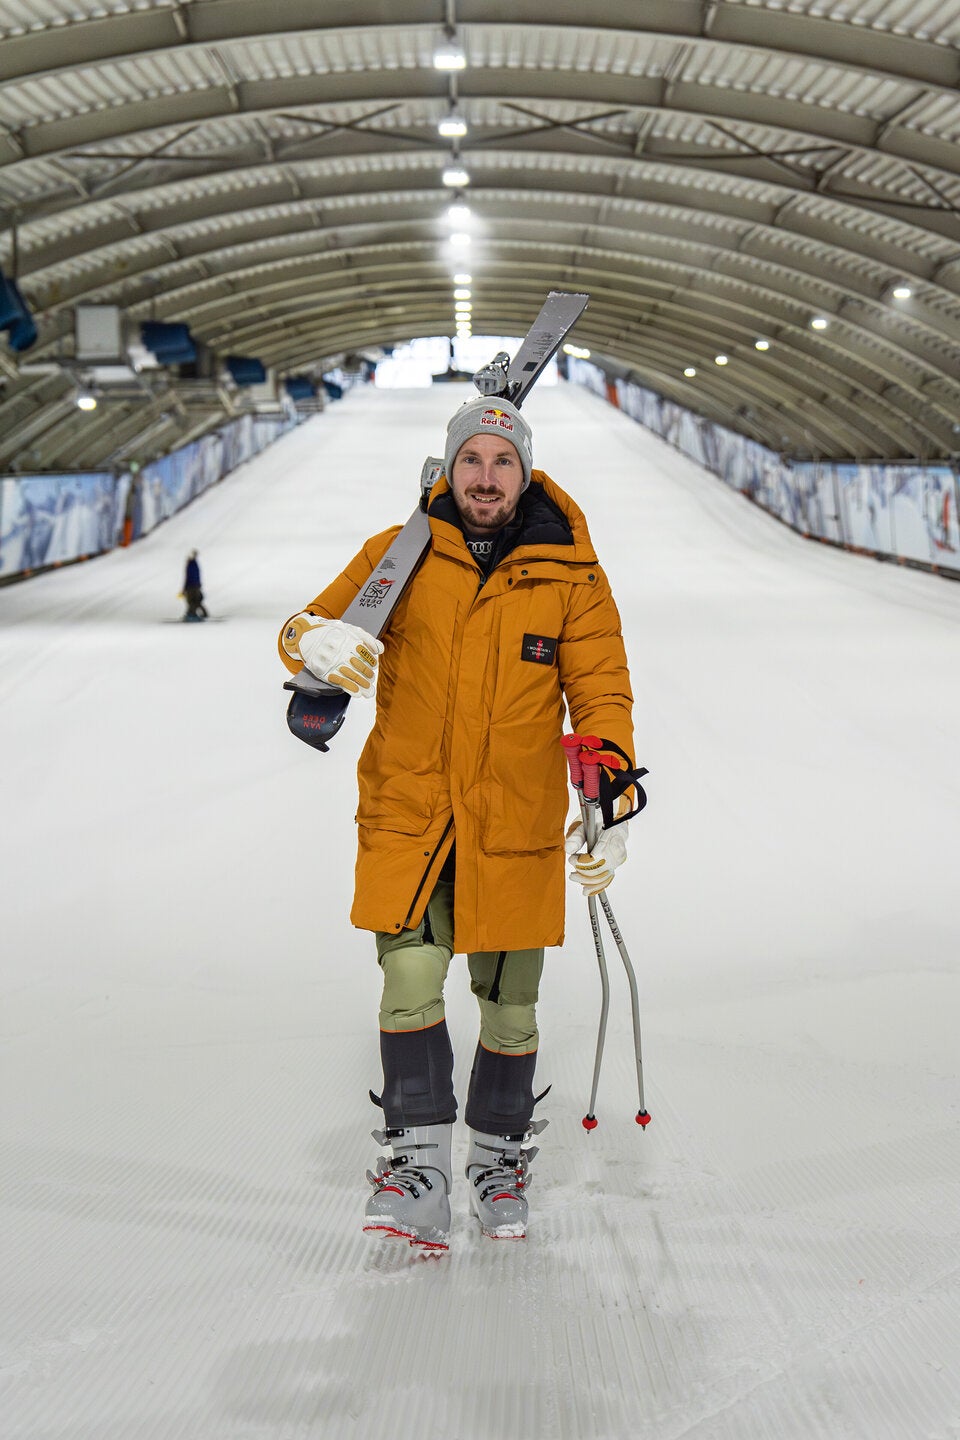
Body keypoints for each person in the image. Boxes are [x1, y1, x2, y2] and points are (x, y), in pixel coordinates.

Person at [278, 395, 635, 1249]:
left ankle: (499, 1162)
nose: (485, 477)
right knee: (408, 984)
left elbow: (601, 693)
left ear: (525, 471)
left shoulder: (570, 573)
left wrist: (608, 800)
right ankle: (417, 1165)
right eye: (471, 461)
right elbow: (304, 630)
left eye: (501, 462)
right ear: (449, 468)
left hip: (512, 818)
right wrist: (313, 642)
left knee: (510, 1006)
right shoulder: (398, 555)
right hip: (412, 813)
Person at [181, 549, 207, 621]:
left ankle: (191, 614)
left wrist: (185, 588)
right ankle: (196, 614)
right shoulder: (194, 564)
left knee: (192, 601)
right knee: (196, 601)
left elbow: (189, 577)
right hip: (195, 585)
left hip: (192, 586)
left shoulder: (191, 565)